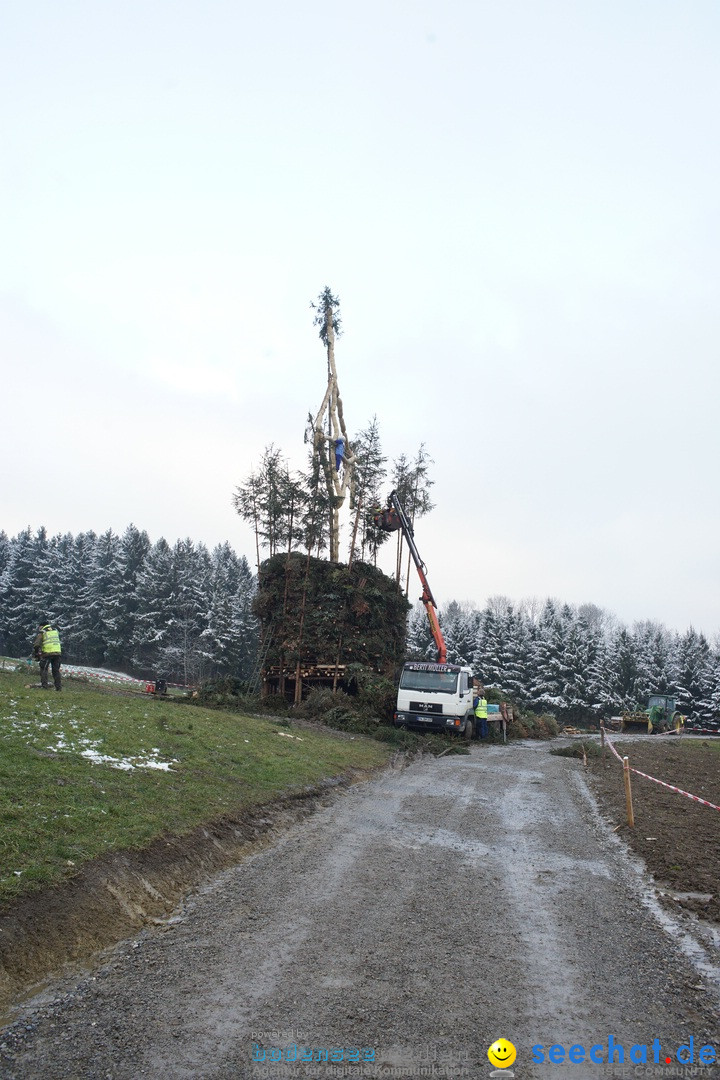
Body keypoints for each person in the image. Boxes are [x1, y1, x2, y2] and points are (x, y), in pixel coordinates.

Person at [33, 622, 62, 691]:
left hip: (47, 653)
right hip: (57, 653)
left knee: (44, 669)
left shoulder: (43, 631)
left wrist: (36, 653)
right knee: (56, 671)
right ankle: (58, 687)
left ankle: (44, 686)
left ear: (41, 626)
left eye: (39, 627)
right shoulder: (55, 630)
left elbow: (37, 644)